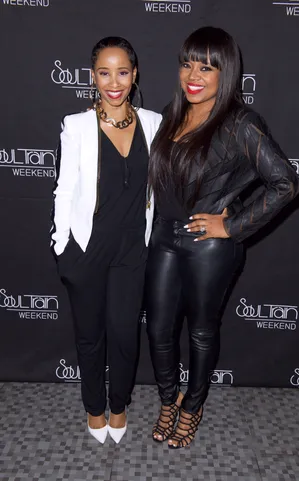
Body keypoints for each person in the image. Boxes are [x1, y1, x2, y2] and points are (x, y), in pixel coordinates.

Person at [146, 26, 299, 449]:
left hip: (209, 248)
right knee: (158, 330)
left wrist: (230, 225)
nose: (193, 74)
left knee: (200, 331)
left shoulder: (240, 124)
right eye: (187, 63)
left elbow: (286, 183)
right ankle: (167, 400)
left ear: (226, 72)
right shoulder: (173, 112)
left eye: (207, 67)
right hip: (163, 237)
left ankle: (192, 407)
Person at [51, 36, 162, 444]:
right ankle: (94, 408)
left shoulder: (153, 123)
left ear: (134, 76)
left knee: (123, 332)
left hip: (134, 249)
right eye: (103, 72)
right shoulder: (76, 125)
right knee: (90, 335)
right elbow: (63, 191)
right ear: (93, 76)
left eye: (122, 72)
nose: (113, 82)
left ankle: (119, 404)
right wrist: (62, 248)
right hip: (87, 248)